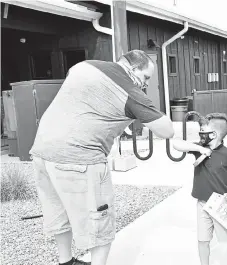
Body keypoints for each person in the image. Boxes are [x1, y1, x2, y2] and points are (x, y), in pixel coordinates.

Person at [29, 50, 174, 265]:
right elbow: (166, 130)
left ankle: (66, 261)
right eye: (145, 77)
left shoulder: (83, 67)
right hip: (79, 158)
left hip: (42, 152)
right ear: (133, 69)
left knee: (58, 211)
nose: (144, 84)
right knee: (100, 223)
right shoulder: (129, 90)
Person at [173, 113, 227, 265]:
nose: (200, 133)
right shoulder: (199, 148)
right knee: (202, 240)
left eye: (203, 130)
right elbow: (176, 144)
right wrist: (198, 149)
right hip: (202, 204)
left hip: (220, 204)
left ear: (214, 134)